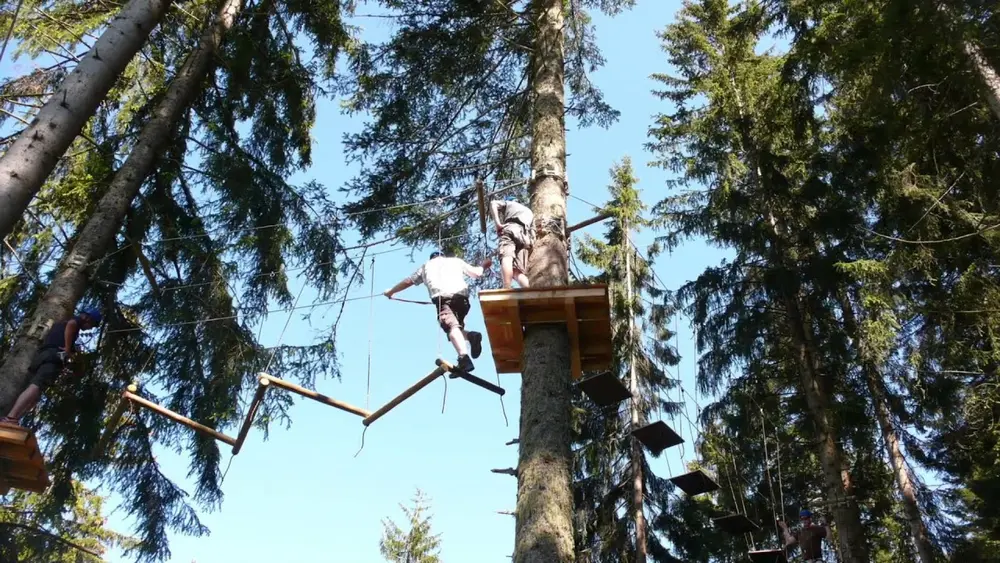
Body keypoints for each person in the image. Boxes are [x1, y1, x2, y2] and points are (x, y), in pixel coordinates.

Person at [384, 251, 492, 373]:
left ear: (431, 258)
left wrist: (391, 291)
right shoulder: (456, 261)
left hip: (444, 299)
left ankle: (464, 358)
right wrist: (484, 265)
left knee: (451, 328)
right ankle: (471, 336)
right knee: (455, 330)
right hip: (463, 300)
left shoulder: (426, 266)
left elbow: (408, 281)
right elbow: (477, 273)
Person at [1, 308, 103, 425]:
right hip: (52, 358)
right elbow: (72, 324)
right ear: (88, 318)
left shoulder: (61, 325)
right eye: (92, 324)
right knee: (36, 386)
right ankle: (11, 417)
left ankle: (14, 419)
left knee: (35, 394)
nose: (91, 328)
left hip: (42, 356)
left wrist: (71, 349)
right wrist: (68, 349)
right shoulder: (75, 322)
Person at [489, 196, 533, 289]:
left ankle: (507, 288)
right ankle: (528, 289)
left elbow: (493, 203)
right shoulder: (529, 212)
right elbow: (533, 232)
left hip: (511, 228)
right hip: (525, 237)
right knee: (516, 271)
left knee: (507, 257)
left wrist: (497, 224)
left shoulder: (510, 203)